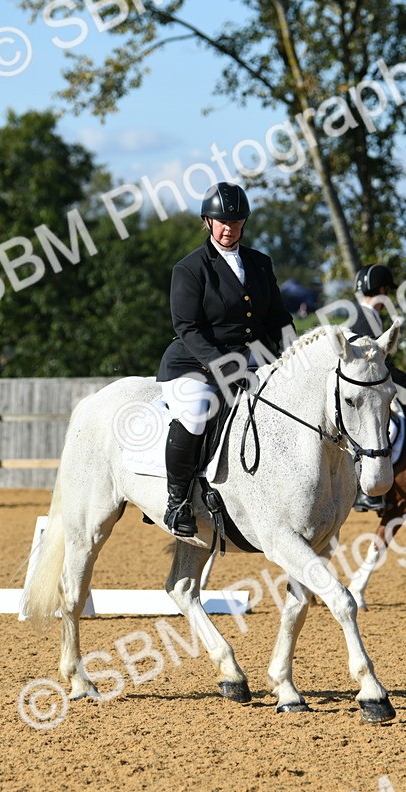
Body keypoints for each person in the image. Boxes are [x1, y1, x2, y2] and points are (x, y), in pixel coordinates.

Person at [156, 182, 295, 537]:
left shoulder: (260, 263)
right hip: (194, 362)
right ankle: (177, 503)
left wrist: (294, 354)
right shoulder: (190, 269)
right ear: (207, 221)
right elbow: (187, 327)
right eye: (221, 221)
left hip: (251, 357)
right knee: (197, 409)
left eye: (235, 221)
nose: (228, 227)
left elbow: (277, 318)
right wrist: (226, 367)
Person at [346, 264, 406, 511]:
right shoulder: (364, 319)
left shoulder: (369, 316)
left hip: (370, 390)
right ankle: (365, 491)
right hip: (362, 392)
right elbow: (382, 366)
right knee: (387, 429)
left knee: (393, 426)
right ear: (381, 289)